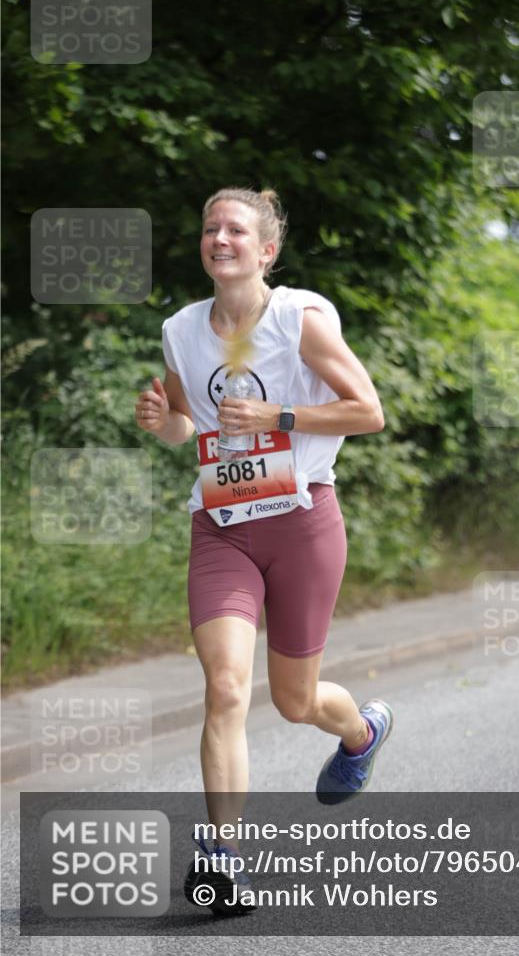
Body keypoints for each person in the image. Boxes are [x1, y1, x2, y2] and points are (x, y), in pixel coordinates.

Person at [135, 186, 393, 910]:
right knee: (223, 688)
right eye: (210, 227)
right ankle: (221, 858)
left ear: (266, 250)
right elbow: (189, 426)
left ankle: (361, 731)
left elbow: (368, 410)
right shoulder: (182, 328)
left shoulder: (297, 319)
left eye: (236, 230)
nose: (219, 239)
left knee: (293, 700)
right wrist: (163, 421)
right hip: (221, 526)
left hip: (303, 522)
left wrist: (279, 413)